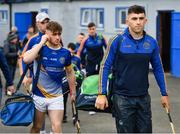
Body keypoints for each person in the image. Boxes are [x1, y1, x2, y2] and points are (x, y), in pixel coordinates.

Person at [95, 5, 170, 133]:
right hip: (122, 99)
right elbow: (104, 66)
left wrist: (164, 93)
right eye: (134, 18)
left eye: (141, 18)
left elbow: (158, 68)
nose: (138, 22)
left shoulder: (151, 42)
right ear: (127, 21)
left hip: (143, 98)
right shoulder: (117, 41)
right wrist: (101, 94)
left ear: (146, 20)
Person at [23, 21, 76, 133]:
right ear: (47, 33)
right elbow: (26, 59)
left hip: (56, 96)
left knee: (56, 127)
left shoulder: (65, 53)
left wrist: (73, 92)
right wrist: (42, 42)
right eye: (54, 34)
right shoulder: (40, 49)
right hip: (38, 96)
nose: (58, 37)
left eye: (59, 34)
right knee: (36, 128)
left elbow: (70, 72)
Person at [19, 12, 50, 133]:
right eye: (43, 22)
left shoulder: (54, 37)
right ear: (37, 24)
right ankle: (41, 130)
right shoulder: (33, 40)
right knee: (39, 109)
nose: (46, 24)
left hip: (52, 80)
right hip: (37, 80)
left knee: (52, 107)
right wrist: (26, 77)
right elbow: (22, 58)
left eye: (48, 21)